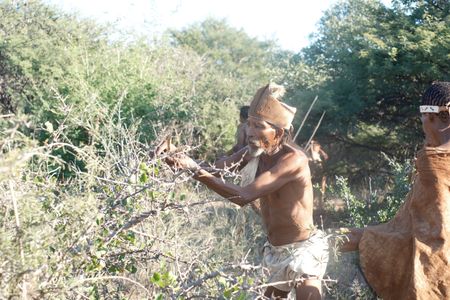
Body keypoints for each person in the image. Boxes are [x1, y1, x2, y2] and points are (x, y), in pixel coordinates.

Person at [165, 83, 329, 299]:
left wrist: (193, 170)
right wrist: (175, 155)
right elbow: (216, 170)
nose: (250, 132)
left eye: (258, 126)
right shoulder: (255, 151)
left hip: (303, 251)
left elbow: (244, 196)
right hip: (275, 252)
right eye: (249, 125)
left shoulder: (293, 160)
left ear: (278, 132)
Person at [340, 81, 450, 299]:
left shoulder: (433, 163)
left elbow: (434, 237)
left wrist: (366, 238)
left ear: (430, 117)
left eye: (422, 118)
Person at [307, 140, 329, 210]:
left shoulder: (319, 154)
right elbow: (313, 158)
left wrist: (320, 150)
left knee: (322, 189)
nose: (318, 148)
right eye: (317, 147)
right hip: (314, 173)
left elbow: (326, 157)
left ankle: (321, 204)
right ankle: (313, 203)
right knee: (312, 189)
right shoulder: (310, 154)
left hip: (321, 173)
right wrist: (311, 146)